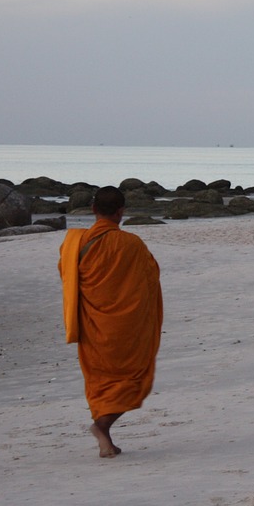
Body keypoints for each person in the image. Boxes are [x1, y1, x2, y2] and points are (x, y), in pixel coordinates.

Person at [58, 186, 163, 458]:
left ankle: (104, 433)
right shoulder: (132, 244)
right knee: (134, 379)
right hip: (126, 327)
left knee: (101, 380)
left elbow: (67, 277)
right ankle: (102, 427)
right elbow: (151, 277)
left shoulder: (74, 244)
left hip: (93, 325)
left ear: (93, 209)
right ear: (121, 212)